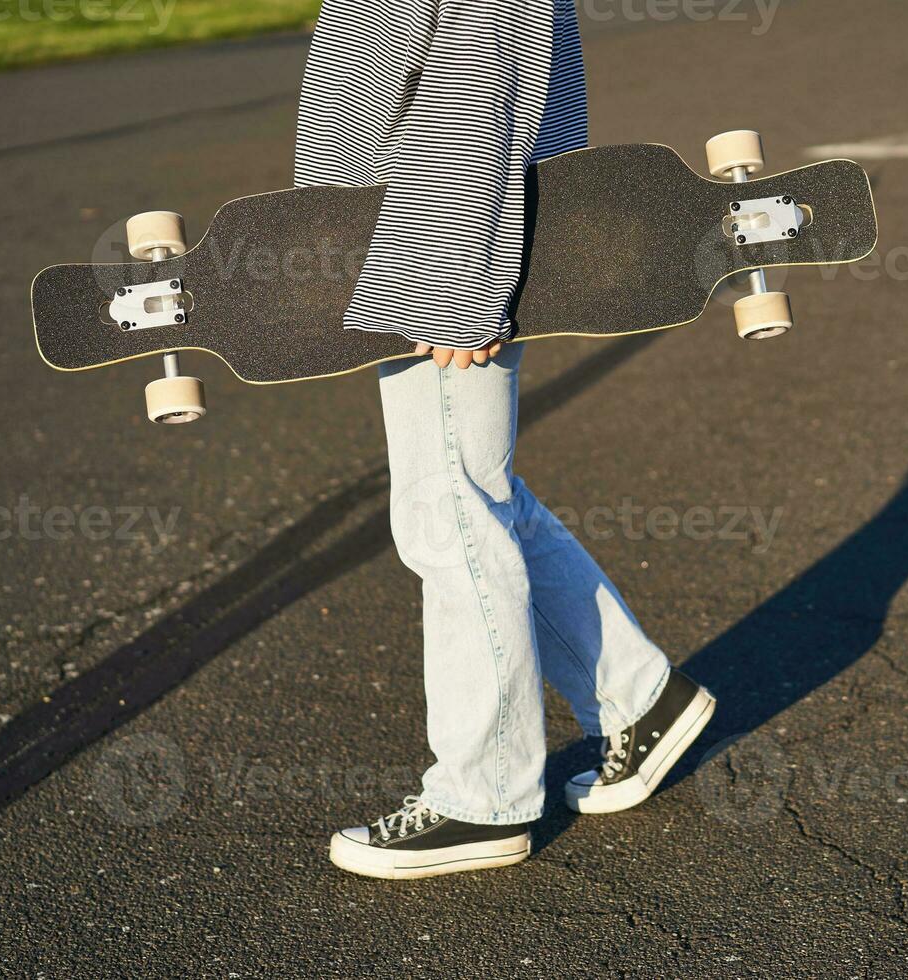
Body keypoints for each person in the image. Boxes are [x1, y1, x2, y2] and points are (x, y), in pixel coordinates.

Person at [293, 0, 718, 880]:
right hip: (409, 236)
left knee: (446, 509)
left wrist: (452, 272)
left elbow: (487, 69)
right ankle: (636, 697)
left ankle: (481, 801)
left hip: (431, 244)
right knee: (470, 493)